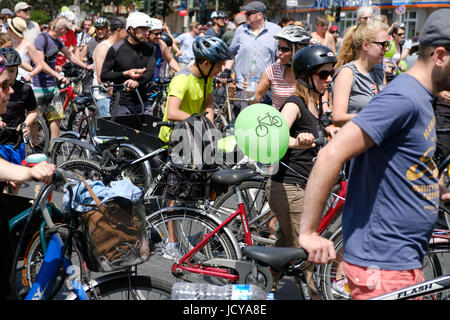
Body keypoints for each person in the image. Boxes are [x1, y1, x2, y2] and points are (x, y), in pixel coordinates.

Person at [298, 9, 450, 300]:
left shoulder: (420, 97)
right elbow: (331, 154)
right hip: (383, 267)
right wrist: (308, 233)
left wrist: (436, 190)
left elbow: (404, 162)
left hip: (400, 263)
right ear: (440, 56)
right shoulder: (403, 98)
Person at [267, 44, 339, 296]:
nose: (329, 79)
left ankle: (262, 283)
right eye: (323, 75)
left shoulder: (316, 106)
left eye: (331, 73)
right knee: (310, 252)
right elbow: (274, 138)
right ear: (305, 76)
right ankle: (316, 294)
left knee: (286, 245)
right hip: (289, 186)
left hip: (304, 186)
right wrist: (297, 141)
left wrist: (329, 130)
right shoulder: (294, 103)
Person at [158, 36, 232, 259]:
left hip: (195, 135)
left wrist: (208, 123)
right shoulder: (183, 79)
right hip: (176, 137)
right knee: (175, 192)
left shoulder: (206, 78)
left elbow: (209, 103)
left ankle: (199, 226)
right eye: (218, 65)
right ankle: (170, 243)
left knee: (202, 182)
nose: (221, 70)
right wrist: (199, 122)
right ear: (206, 63)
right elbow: (172, 112)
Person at [0, 54, 55, 300]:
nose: (10, 90)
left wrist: (23, 172)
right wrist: (28, 171)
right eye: (3, 86)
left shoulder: (25, 90)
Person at [32, 16, 93, 140]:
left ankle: (54, 144)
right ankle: (36, 145)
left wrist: (86, 67)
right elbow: (40, 63)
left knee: (56, 115)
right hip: (38, 85)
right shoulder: (41, 39)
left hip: (52, 84)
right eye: (68, 30)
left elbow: (69, 55)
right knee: (35, 118)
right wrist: (57, 75)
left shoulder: (57, 41)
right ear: (63, 30)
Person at [225, 0, 281, 114]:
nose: (245, 16)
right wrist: (226, 70)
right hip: (244, 88)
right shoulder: (240, 30)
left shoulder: (276, 30)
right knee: (244, 124)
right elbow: (231, 53)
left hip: (267, 88)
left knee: (265, 123)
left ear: (259, 14)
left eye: (248, 13)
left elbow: (279, 57)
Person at [332, 18, 388, 127]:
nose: (386, 49)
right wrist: (374, 116)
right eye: (383, 44)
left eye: (387, 44)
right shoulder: (348, 73)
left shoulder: (378, 71)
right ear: (366, 45)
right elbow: (337, 117)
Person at [100, 12, 155, 117]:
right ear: (131, 29)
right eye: (143, 29)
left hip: (143, 101)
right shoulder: (116, 49)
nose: (147, 33)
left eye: (148, 29)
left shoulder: (150, 48)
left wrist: (138, 82)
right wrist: (125, 74)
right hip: (121, 104)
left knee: (150, 132)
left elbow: (150, 71)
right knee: (124, 133)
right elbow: (104, 75)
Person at [0, 48, 37, 194]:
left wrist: (26, 124)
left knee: (16, 184)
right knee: (3, 183)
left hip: (16, 141)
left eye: (13, 71)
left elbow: (33, 111)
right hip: (1, 141)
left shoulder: (25, 89)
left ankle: (11, 211)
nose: (9, 75)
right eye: (6, 71)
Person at [252, 25, 311, 110]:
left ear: (298, 50)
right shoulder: (272, 70)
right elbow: (257, 97)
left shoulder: (310, 71)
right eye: (278, 48)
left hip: (303, 121)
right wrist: (250, 93)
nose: (279, 52)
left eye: (284, 49)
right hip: (278, 120)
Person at [92, 17, 127, 118]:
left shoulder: (120, 46)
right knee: (108, 130)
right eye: (127, 30)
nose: (129, 33)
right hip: (105, 97)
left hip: (117, 97)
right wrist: (116, 95)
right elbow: (101, 78)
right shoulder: (103, 47)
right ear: (119, 30)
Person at [6, 16, 43, 82]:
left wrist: (30, 75)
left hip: (23, 81)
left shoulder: (28, 45)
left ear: (12, 30)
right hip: (11, 81)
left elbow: (40, 65)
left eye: (8, 27)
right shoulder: (10, 43)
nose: (6, 29)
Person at [147, 17, 180, 83]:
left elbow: (170, 60)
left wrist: (182, 72)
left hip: (155, 85)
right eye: (156, 34)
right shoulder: (141, 45)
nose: (159, 36)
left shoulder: (161, 44)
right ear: (148, 33)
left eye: (160, 33)